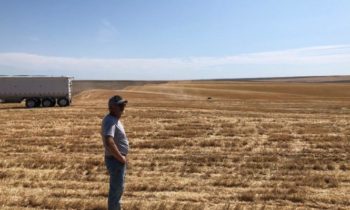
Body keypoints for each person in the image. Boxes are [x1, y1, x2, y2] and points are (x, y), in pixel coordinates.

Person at [101, 95, 129, 210]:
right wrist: (120, 158)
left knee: (118, 189)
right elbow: (109, 141)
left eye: (123, 105)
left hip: (116, 160)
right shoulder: (110, 121)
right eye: (120, 105)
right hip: (115, 160)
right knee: (116, 191)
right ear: (112, 107)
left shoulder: (114, 119)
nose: (123, 107)